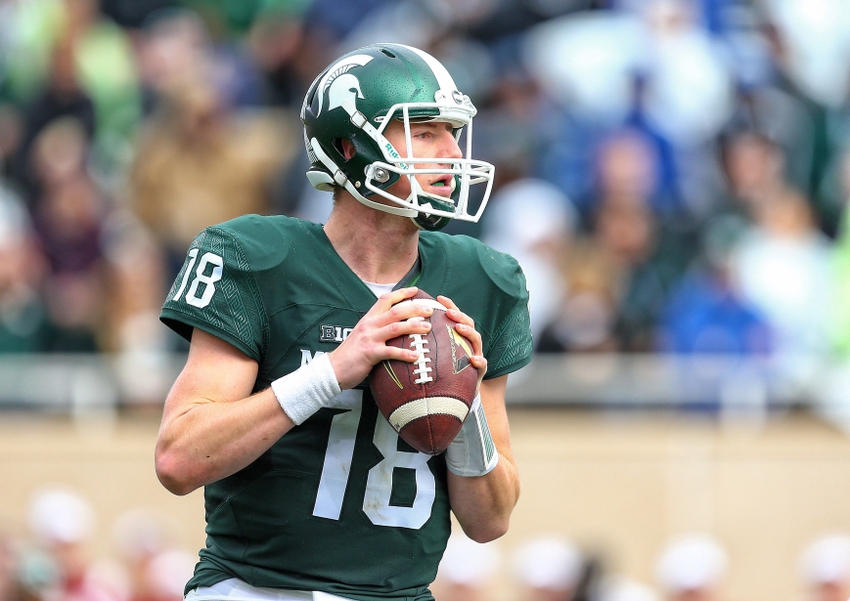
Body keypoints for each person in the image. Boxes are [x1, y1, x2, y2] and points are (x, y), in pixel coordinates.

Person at [154, 42, 532, 601]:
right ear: (350, 145)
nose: (451, 151)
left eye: (452, 131)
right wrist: (332, 371)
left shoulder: (484, 279)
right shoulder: (259, 258)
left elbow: (490, 521)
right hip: (258, 589)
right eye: (424, 131)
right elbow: (179, 459)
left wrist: (464, 401)